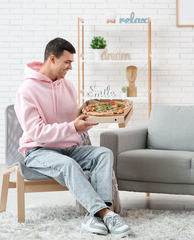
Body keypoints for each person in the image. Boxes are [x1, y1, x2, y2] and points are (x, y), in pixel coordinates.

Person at [14, 37, 132, 238]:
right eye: (66, 62)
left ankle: (94, 217)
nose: (70, 67)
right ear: (52, 59)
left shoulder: (67, 86)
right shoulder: (27, 90)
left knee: (103, 153)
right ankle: (105, 213)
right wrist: (72, 126)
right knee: (69, 165)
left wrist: (84, 119)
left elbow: (71, 121)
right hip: (38, 150)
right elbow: (36, 132)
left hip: (68, 148)